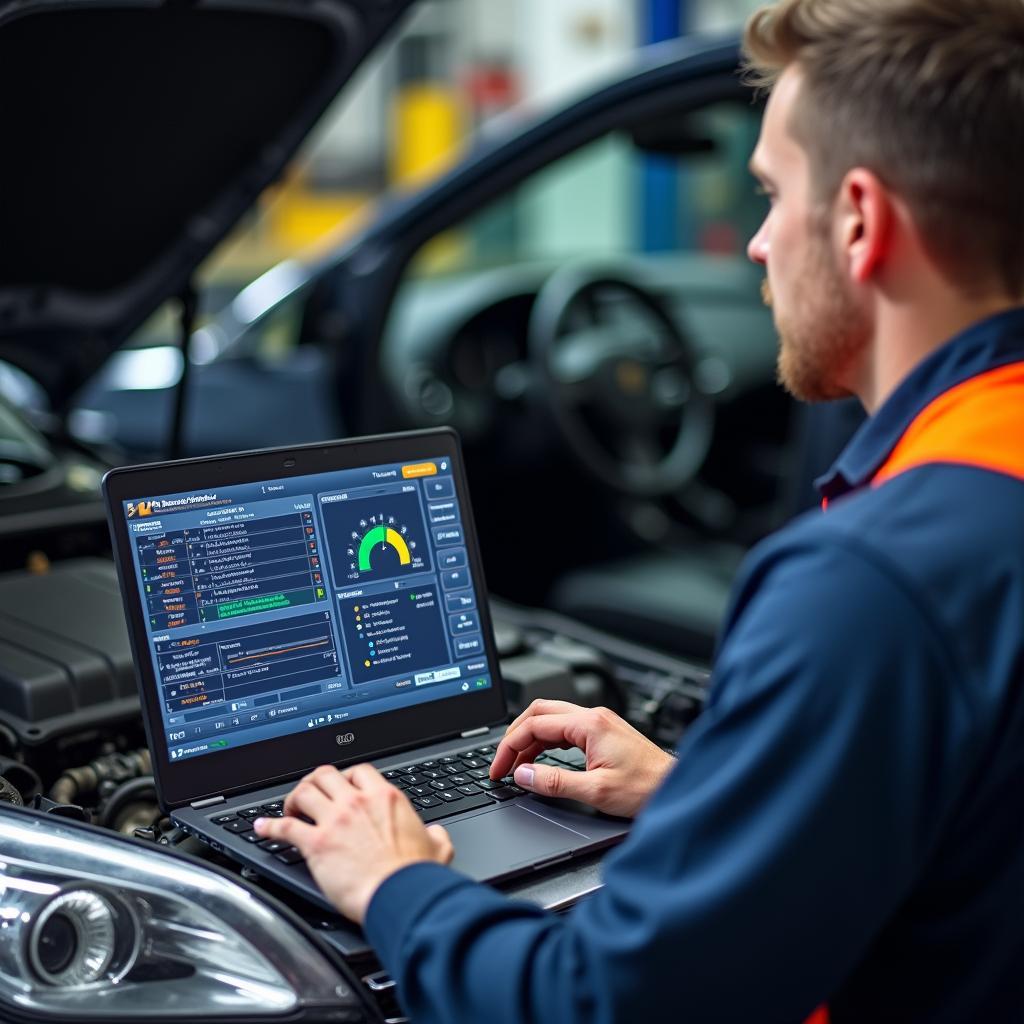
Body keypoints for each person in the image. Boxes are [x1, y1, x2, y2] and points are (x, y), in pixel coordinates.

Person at [254, 0, 1024, 1019]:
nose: (752, 246)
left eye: (769, 195)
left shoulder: (871, 585)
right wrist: (714, 796)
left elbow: (602, 1001)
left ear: (858, 221)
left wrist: (396, 880)